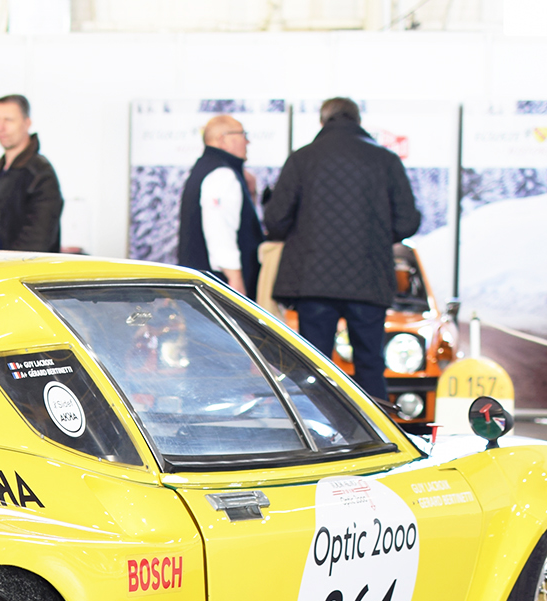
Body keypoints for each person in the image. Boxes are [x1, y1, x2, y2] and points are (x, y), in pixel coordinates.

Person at [264, 97, 421, 402]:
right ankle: (380, 437)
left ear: (323, 121)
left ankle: (318, 437)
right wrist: (373, 235)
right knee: (370, 364)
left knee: (314, 366)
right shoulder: (386, 161)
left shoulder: (302, 158)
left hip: (314, 279)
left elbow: (276, 221)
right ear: (357, 120)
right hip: (368, 277)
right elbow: (407, 223)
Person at [177, 114, 262, 297]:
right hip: (220, 283)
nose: (248, 141)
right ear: (222, 139)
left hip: (204, 283)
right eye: (242, 134)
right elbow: (220, 230)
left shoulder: (205, 168)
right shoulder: (222, 175)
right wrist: (235, 279)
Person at [0, 95, 62, 253]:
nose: (0, 127)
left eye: (8, 120)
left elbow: (38, 240)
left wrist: (7, 270)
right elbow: (1, 223)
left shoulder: (41, 173)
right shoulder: (0, 167)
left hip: (17, 273)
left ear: (27, 123)